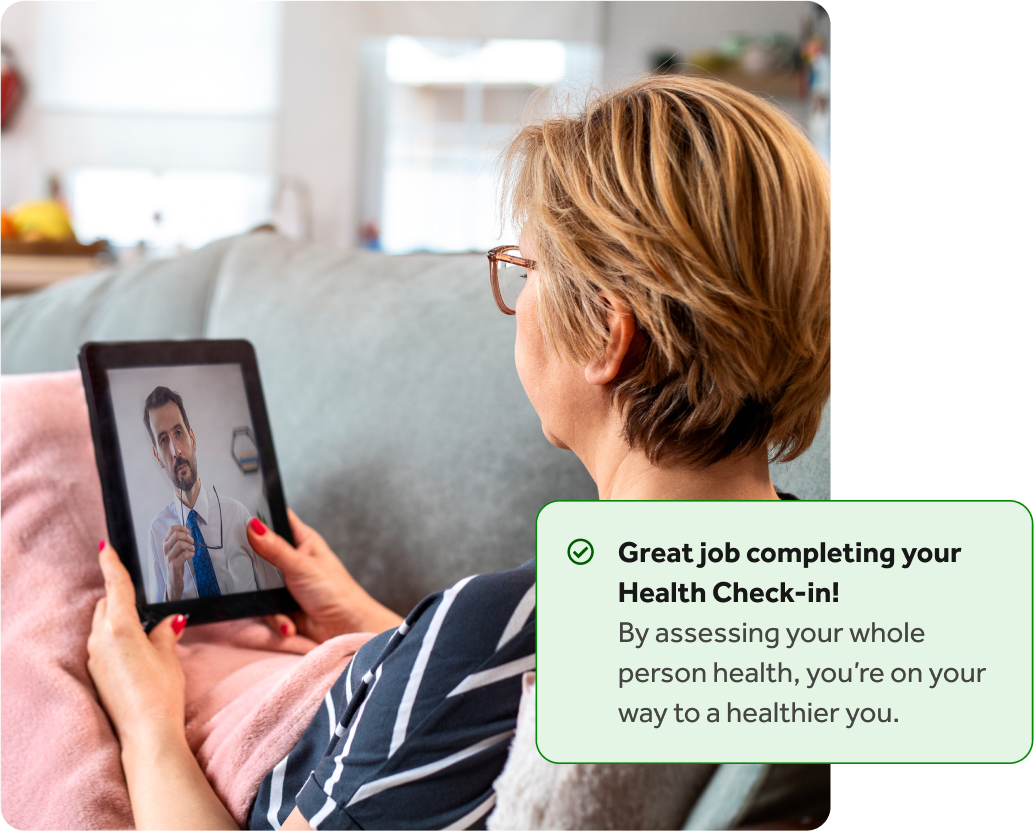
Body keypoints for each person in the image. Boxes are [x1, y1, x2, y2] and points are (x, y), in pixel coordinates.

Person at [87, 75, 837, 830]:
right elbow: (469, 728)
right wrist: (383, 631)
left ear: (609, 335)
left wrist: (145, 723)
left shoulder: (501, 628)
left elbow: (471, 684)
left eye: (528, 269)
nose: (517, 299)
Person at [144, 385, 284, 601]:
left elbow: (277, 597)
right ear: (157, 457)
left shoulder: (238, 516)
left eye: (178, 433)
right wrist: (172, 587)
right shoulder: (157, 534)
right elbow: (157, 629)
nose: (176, 451)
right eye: (164, 440)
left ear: (193, 439)